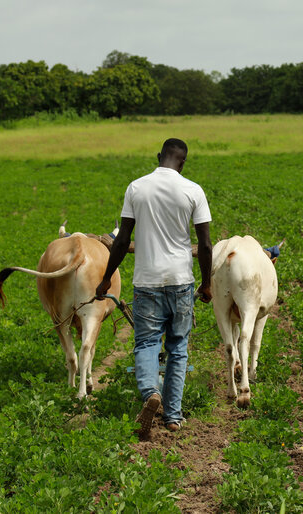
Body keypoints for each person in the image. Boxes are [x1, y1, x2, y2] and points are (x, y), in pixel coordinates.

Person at [96, 138, 213, 438]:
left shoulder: (136, 188)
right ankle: (173, 416)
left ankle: (151, 392)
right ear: (183, 162)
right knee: (178, 349)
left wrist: (107, 276)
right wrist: (207, 283)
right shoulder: (193, 191)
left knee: (147, 343)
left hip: (147, 282)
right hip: (181, 282)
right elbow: (206, 244)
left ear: (159, 156)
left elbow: (122, 240)